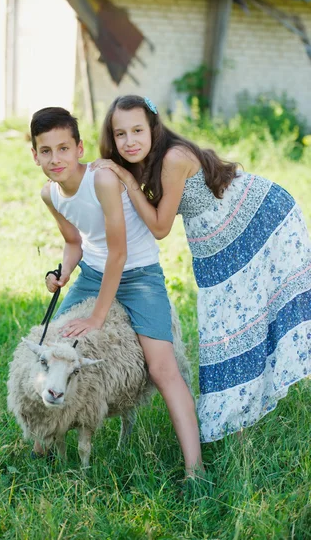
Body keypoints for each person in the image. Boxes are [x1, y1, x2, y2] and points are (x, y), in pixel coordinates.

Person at [91, 94, 311, 444]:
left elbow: (160, 227)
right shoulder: (147, 161)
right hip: (216, 244)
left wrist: (129, 183)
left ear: (154, 129)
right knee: (224, 328)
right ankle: (236, 422)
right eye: (120, 134)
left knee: (239, 321)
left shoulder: (174, 158)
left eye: (137, 130)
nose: (130, 140)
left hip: (256, 222)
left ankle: (237, 420)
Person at [30, 106, 203, 475]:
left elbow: (120, 253)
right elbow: (74, 242)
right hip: (93, 273)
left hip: (139, 276)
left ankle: (195, 468)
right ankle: (41, 441)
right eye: (46, 151)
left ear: (79, 149)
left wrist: (97, 316)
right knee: (53, 347)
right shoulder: (50, 194)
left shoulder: (102, 181)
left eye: (64, 148)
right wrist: (61, 273)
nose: (55, 158)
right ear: (35, 155)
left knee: (162, 368)